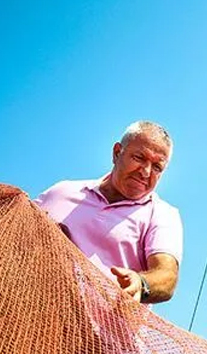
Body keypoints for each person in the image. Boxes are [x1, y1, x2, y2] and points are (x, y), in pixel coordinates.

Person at [32, 120, 182, 304]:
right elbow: (18, 231)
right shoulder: (60, 192)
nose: (145, 171)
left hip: (99, 332)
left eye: (157, 167)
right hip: (33, 316)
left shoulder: (162, 214)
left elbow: (167, 276)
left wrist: (141, 283)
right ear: (117, 152)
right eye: (139, 158)